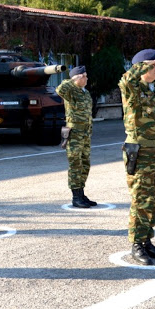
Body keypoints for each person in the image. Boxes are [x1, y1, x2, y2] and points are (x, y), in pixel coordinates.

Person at [118, 49, 155, 266]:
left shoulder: (153, 90)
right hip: (141, 152)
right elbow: (126, 78)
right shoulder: (133, 88)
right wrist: (143, 64)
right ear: (143, 66)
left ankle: (147, 239)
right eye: (154, 65)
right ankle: (137, 243)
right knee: (141, 199)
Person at [56, 65, 97, 208]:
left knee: (85, 164)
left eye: (86, 75)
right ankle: (75, 197)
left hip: (85, 134)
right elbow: (59, 89)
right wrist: (72, 80)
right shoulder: (71, 91)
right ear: (77, 78)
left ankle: (81, 193)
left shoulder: (85, 93)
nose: (86, 78)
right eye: (83, 76)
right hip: (75, 134)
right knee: (75, 165)